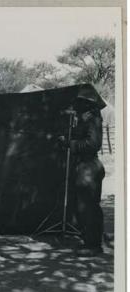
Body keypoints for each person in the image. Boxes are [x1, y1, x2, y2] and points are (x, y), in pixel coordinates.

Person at [59, 89, 106, 257]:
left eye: (80, 102)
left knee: (88, 208)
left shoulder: (92, 119)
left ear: (87, 104)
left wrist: (71, 143)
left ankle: (93, 245)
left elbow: (93, 144)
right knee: (84, 207)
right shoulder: (85, 119)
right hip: (84, 166)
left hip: (89, 167)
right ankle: (90, 241)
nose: (76, 105)